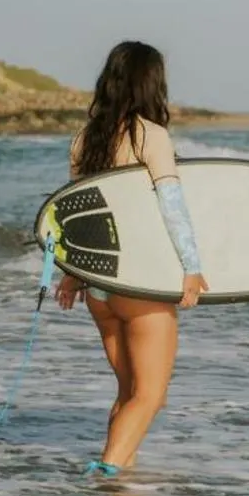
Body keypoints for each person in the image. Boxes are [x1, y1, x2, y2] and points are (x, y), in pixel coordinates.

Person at [55, 41, 208, 473]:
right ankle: (106, 475)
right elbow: (172, 208)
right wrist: (191, 267)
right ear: (151, 83)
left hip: (100, 287)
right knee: (150, 395)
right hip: (138, 281)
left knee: (128, 393)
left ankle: (121, 486)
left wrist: (72, 274)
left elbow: (77, 214)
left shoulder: (84, 140)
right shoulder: (150, 136)